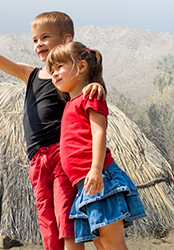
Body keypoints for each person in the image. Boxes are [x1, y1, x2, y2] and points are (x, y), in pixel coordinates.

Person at [0, 12, 106, 250]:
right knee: (47, 220)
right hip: (36, 160)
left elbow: (89, 87)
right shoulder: (31, 74)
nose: (38, 44)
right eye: (35, 40)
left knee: (66, 216)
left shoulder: (69, 79)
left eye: (45, 37)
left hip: (61, 156)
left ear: (66, 39)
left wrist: (94, 84)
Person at [46, 41, 146, 250]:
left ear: (81, 67)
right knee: (100, 241)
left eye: (59, 67)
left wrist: (96, 169)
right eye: (51, 70)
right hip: (85, 184)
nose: (54, 74)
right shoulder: (71, 104)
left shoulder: (90, 97)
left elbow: (99, 132)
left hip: (99, 177)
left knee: (111, 242)